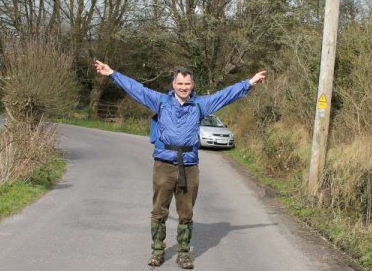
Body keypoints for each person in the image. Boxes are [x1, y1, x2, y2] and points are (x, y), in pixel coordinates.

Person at [94, 60, 267, 269]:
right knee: (159, 210)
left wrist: (249, 83)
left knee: (186, 212)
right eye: (180, 84)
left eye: (187, 84)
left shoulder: (200, 105)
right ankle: (157, 251)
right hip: (164, 164)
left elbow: (225, 95)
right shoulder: (161, 102)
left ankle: (183, 253)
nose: (183, 88)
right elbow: (136, 89)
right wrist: (112, 73)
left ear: (192, 85)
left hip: (189, 166)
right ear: (173, 85)